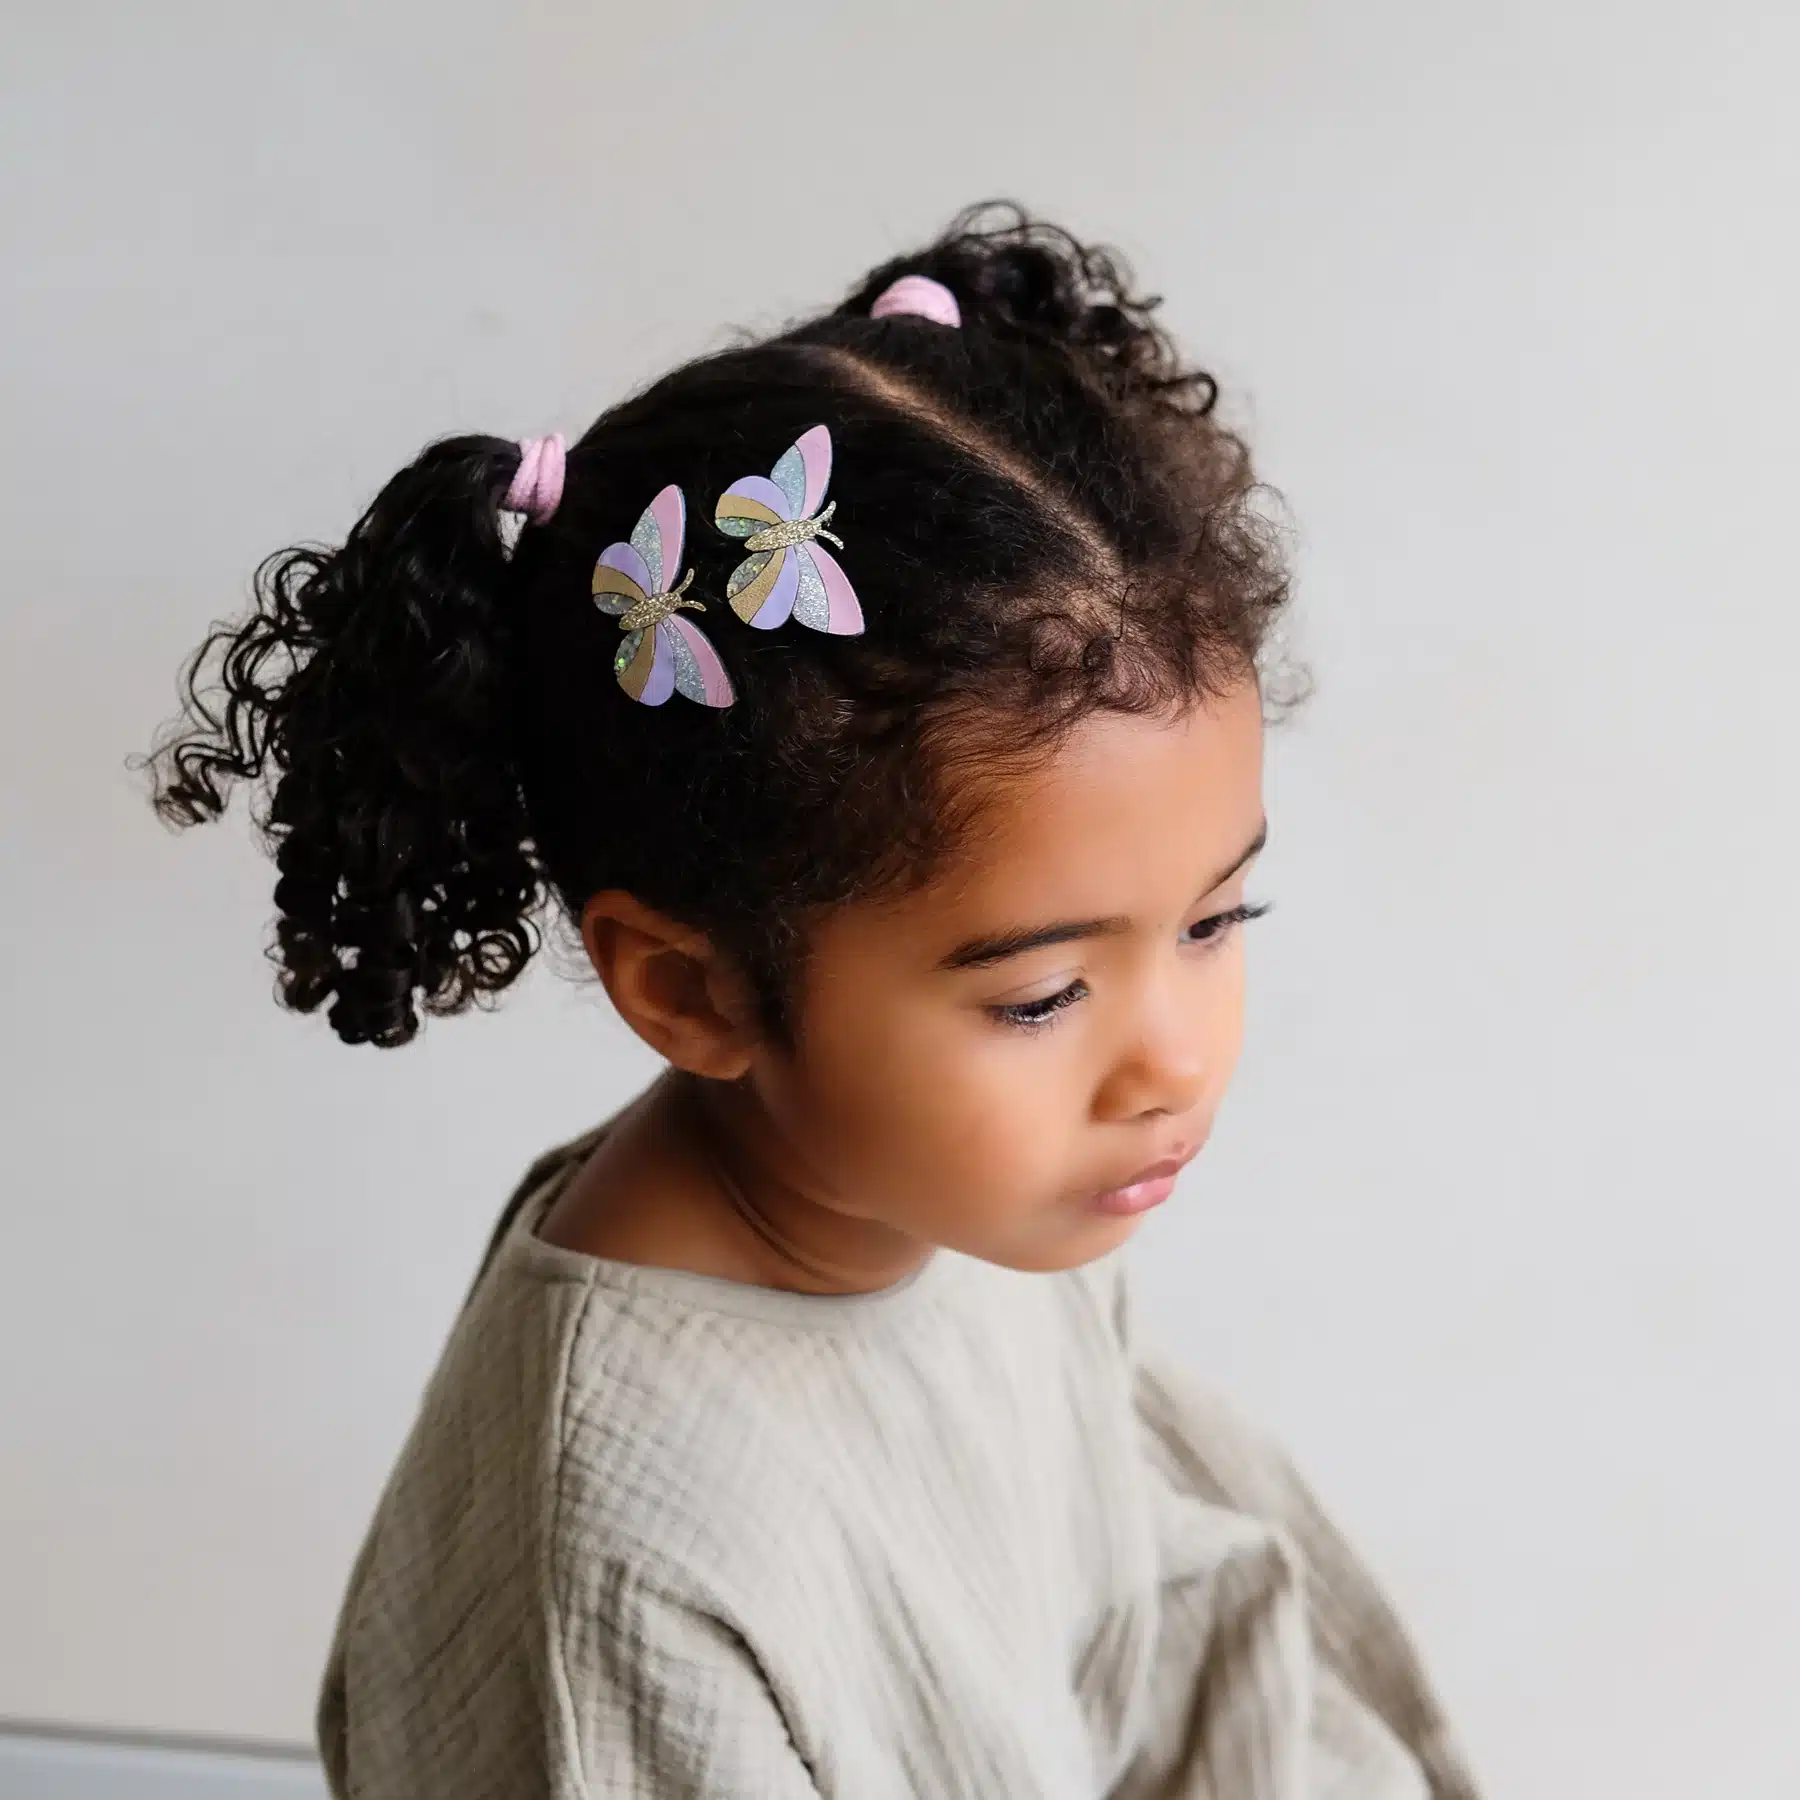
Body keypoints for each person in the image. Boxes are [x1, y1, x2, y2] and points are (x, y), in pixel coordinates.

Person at [142, 201, 1483, 1799]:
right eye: (1044, 995)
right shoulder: (629, 1557)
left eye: (1216, 919)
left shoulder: (962, 1199)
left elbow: (1177, 1630)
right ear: (690, 988)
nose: (1176, 1062)